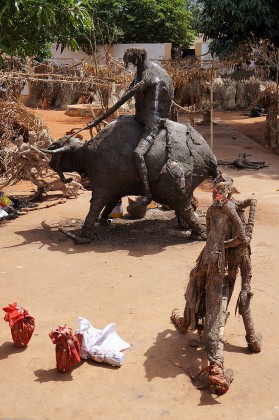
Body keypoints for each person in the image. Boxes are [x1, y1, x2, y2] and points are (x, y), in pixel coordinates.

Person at [87, 47, 174, 205]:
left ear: (137, 59)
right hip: (140, 116)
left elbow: (124, 98)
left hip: (152, 121)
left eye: (131, 62)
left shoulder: (148, 75)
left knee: (137, 154)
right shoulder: (142, 70)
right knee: (122, 122)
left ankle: (147, 194)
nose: (131, 66)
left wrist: (98, 120)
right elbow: (128, 92)